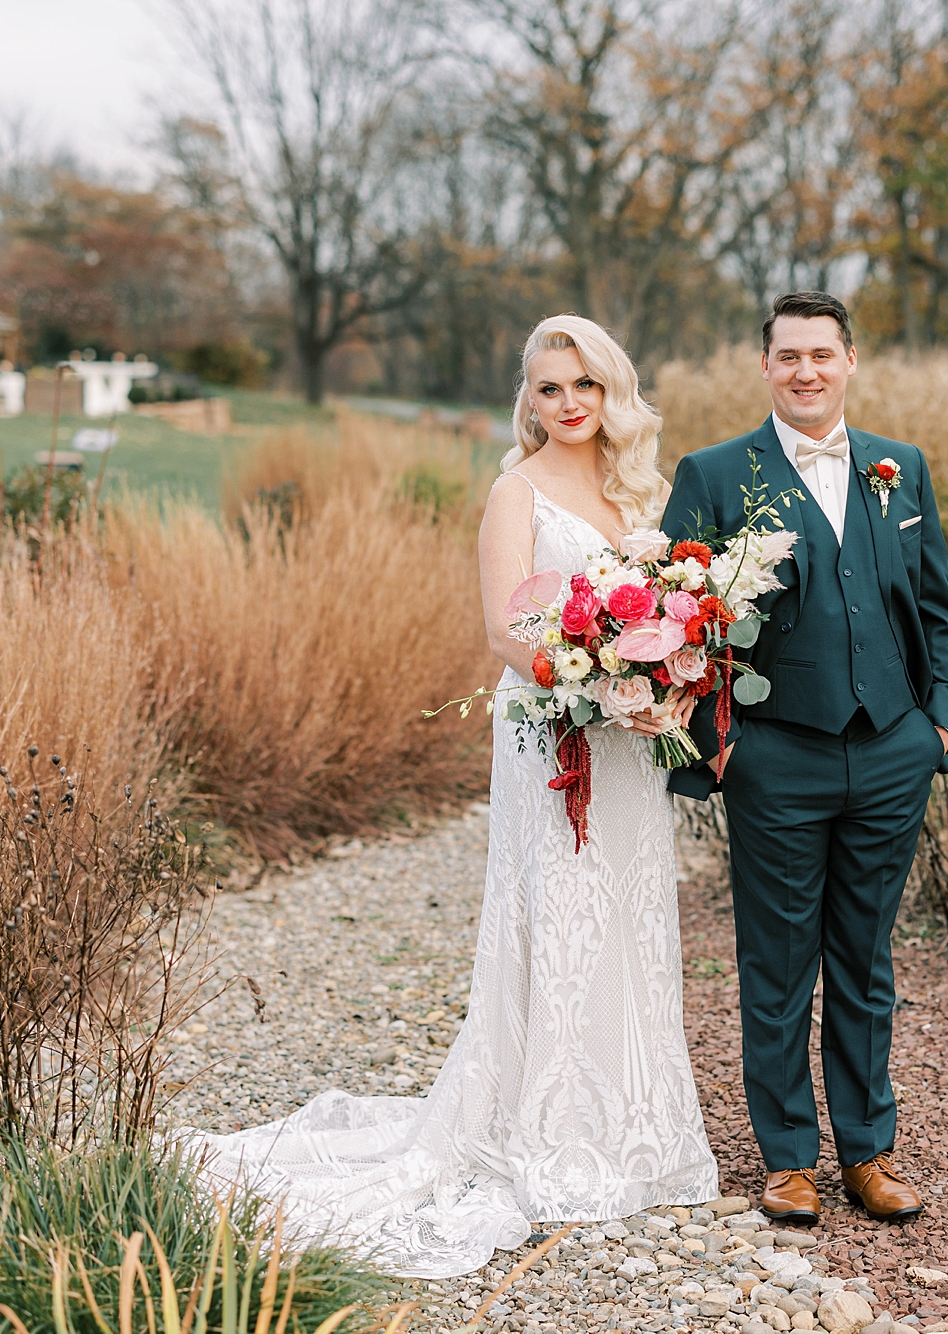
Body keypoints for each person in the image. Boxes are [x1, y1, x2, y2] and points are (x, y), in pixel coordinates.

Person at [184, 314, 719, 1277]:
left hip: (631, 744)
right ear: (529, 397)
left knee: (629, 912)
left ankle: (632, 1124)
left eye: (585, 386)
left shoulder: (644, 490)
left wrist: (666, 680)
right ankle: (543, 1126)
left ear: (611, 393)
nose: (568, 405)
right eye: (550, 388)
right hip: (549, 732)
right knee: (553, 912)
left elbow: (678, 612)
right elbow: (507, 635)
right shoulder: (513, 494)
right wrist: (591, 679)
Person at [662, 291, 948, 1225]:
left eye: (821, 355)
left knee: (866, 960)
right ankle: (789, 1158)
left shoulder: (899, 470)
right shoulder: (714, 474)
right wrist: (724, 749)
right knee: (779, 961)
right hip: (775, 758)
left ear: (849, 362)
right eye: (788, 355)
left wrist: (937, 728)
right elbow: (678, 629)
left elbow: (939, 614)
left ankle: (868, 1154)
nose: (805, 371)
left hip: (891, 753)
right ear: (765, 367)